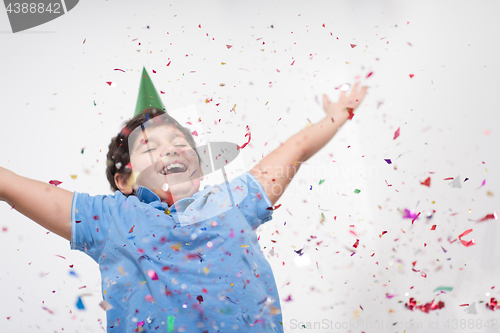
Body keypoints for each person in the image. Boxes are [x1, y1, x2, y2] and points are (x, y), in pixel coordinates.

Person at [0, 79, 367, 332]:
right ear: (125, 180)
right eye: (149, 147)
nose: (171, 148)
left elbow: (295, 151)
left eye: (179, 142)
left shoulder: (231, 201)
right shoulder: (111, 217)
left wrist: (337, 116)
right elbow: (12, 186)